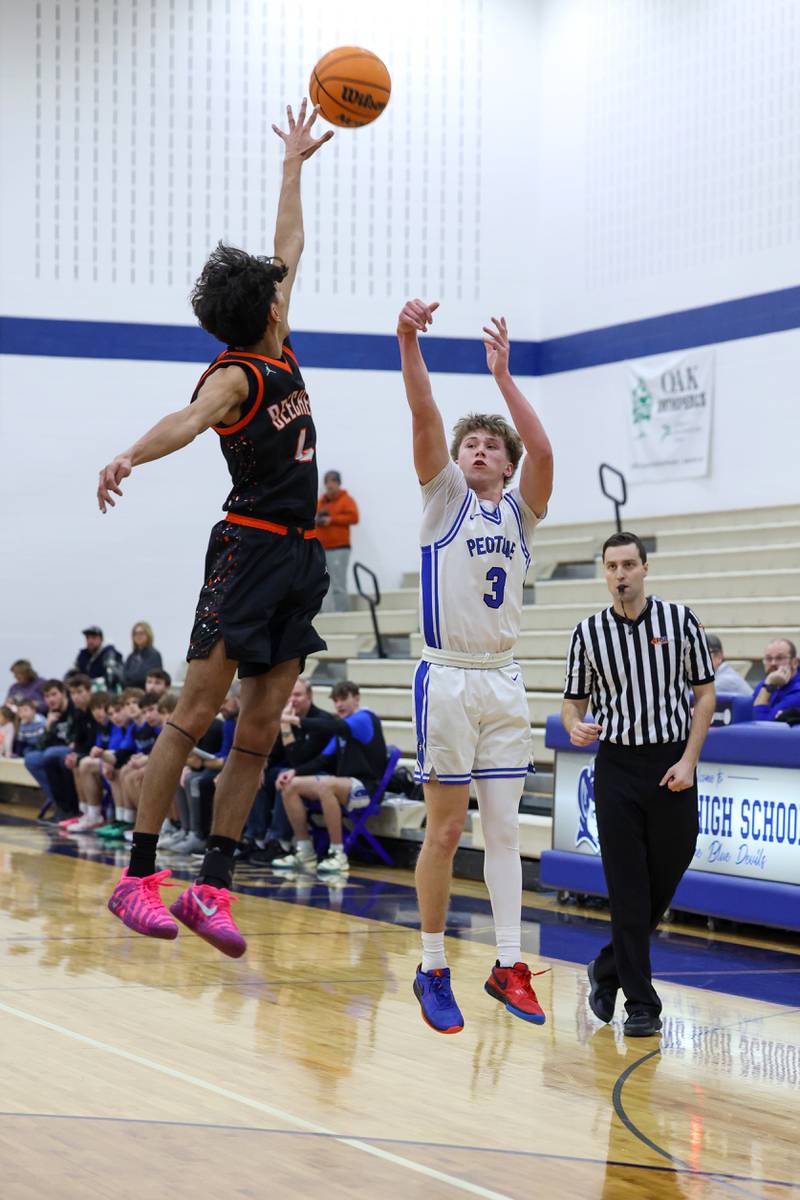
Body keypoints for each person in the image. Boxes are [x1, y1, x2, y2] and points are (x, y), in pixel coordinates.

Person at [96, 98, 333, 957]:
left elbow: (290, 245)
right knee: (194, 713)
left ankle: (214, 887)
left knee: (261, 730)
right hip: (247, 550)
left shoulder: (280, 343)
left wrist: (293, 167)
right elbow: (188, 421)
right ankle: (137, 875)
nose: (286, 280)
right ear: (266, 307)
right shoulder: (237, 376)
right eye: (277, 285)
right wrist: (129, 454)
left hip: (300, 556)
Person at [396, 299, 553, 1034]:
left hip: (504, 678)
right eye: (474, 445)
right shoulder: (444, 499)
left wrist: (505, 380)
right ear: (457, 462)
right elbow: (426, 413)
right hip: (448, 676)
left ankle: (509, 965)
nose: (482, 450)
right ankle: (432, 966)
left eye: (494, 444)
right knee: (445, 832)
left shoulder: (520, 513)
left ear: (507, 463)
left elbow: (544, 455)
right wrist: (408, 341)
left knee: (504, 832)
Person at [561, 531, 716, 1038]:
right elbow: (573, 702)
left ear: (645, 568)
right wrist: (572, 725)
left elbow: (705, 695)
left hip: (671, 763)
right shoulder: (587, 632)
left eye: (629, 564)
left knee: (666, 873)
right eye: (612, 566)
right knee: (627, 889)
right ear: (604, 573)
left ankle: (607, 968)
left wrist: (690, 760)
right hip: (616, 767)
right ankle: (641, 1005)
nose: (621, 573)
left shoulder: (680, 620)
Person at [272, 680, 387, 874]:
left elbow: (334, 726)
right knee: (290, 784)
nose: (339, 705)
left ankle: (337, 854)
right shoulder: (342, 727)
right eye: (335, 701)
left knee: (326, 785)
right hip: (344, 785)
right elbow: (322, 760)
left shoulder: (364, 718)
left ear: (357, 698)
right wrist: (294, 772)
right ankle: (305, 849)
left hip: (366, 787)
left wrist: (293, 721)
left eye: (343, 699)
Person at [241, 676, 330, 862]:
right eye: (289, 696)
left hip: (320, 774)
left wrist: (285, 727)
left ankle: (280, 841)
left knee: (285, 779)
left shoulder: (322, 721)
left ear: (309, 697)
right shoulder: (288, 717)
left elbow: (301, 759)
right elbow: (276, 754)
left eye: (297, 695)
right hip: (296, 771)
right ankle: (255, 838)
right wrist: (261, 766)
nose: (292, 700)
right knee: (260, 776)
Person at [316, 470, 360, 612]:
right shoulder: (320, 502)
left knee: (338, 584)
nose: (329, 485)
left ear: (339, 483)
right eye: (327, 481)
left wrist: (331, 520)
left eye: (333, 481)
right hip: (321, 549)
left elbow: (354, 517)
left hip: (339, 549)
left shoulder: (346, 500)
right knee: (318, 585)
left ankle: (342, 615)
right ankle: (322, 614)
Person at [752, 639, 800, 720]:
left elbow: (762, 724)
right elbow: (746, 716)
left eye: (779, 658)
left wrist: (768, 686)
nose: (773, 663)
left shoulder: (797, 692)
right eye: (768, 658)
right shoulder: (765, 682)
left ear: (794, 663)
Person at [73, 627, 124, 693]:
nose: (90, 641)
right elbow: (73, 673)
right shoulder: (82, 656)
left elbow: (114, 677)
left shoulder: (109, 654)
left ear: (101, 639)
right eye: (88, 638)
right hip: (86, 694)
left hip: (106, 693)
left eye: (93, 638)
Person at [123, 622, 164, 688]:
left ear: (148, 634)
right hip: (130, 691)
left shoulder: (154, 655)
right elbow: (124, 676)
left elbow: (146, 676)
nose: (138, 636)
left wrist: (131, 677)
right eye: (135, 634)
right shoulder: (131, 656)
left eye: (141, 633)